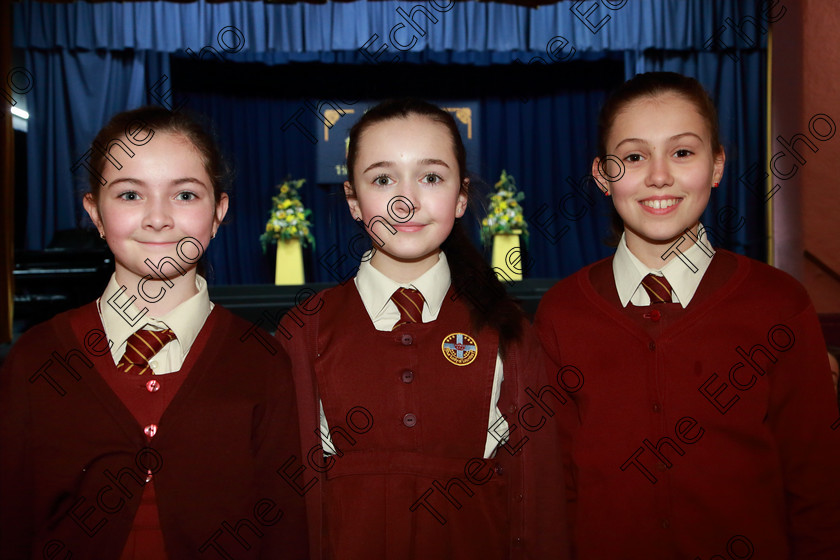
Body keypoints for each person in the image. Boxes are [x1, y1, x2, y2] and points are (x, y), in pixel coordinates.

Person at [534, 71, 840, 559]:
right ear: (601, 175)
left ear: (716, 165)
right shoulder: (562, 314)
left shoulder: (779, 305)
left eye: (682, 152)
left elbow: (819, 489)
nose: (659, 175)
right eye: (634, 156)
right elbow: (553, 493)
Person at [0, 106, 307, 559]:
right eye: (129, 195)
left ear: (218, 213)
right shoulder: (35, 359)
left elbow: (286, 534)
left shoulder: (263, 361)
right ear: (95, 212)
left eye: (185, 195)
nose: (158, 218)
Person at [279, 98, 568, 559]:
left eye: (430, 177)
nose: (405, 200)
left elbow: (538, 492)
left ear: (461, 196)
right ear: (354, 200)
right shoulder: (304, 330)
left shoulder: (507, 329)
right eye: (382, 179)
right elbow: (289, 497)